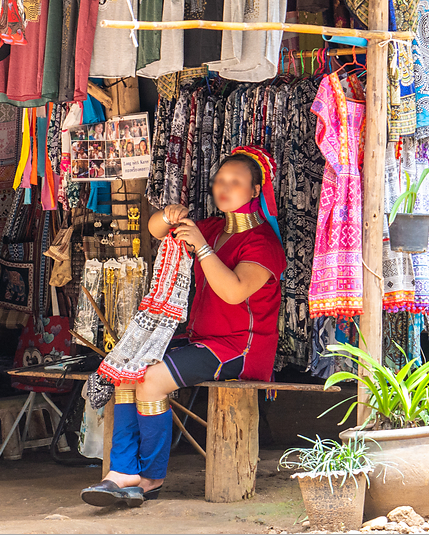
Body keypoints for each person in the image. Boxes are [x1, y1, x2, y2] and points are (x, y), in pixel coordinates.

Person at [80, 147, 286, 508]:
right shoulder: (214, 227)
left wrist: (203, 248)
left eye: (236, 182)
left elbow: (234, 292)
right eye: (220, 181)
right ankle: (123, 472)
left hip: (240, 349)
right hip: (203, 339)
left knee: (151, 379)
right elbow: (157, 230)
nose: (225, 187)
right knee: (128, 369)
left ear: (255, 190)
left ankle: (152, 476)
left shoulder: (263, 243)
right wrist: (168, 215)